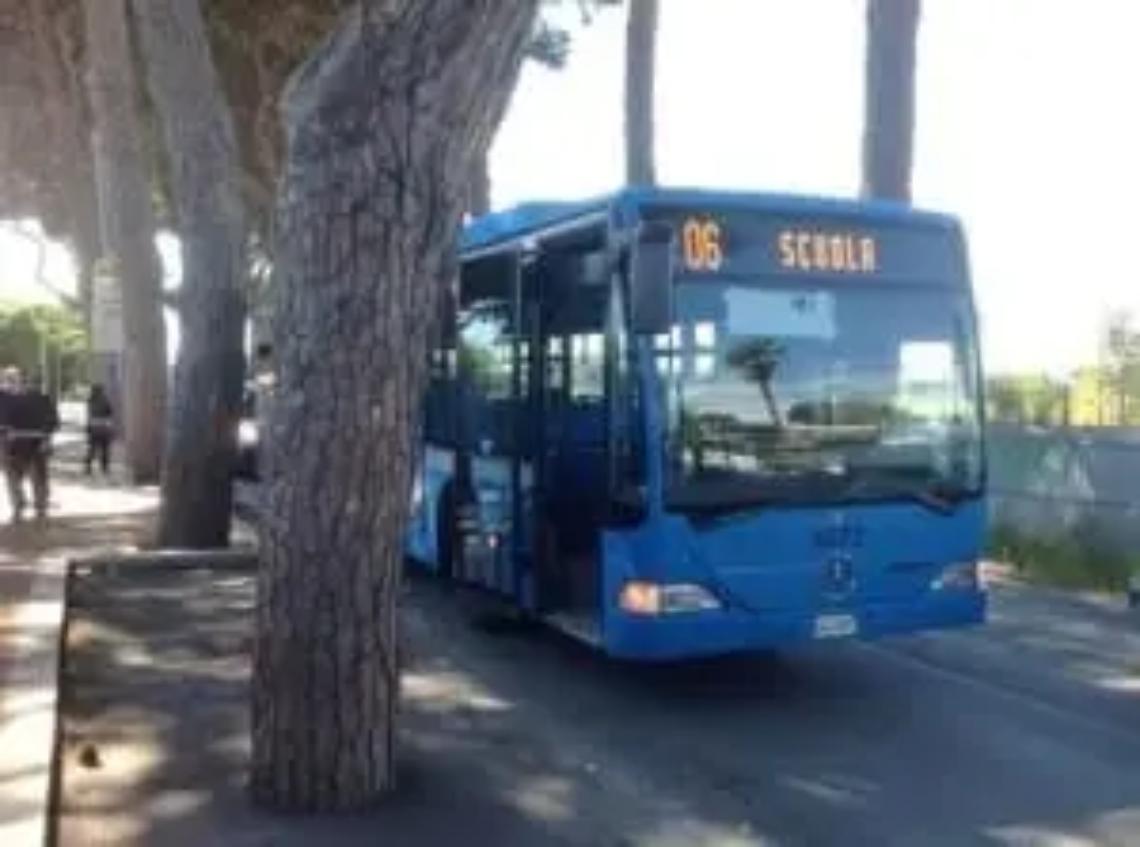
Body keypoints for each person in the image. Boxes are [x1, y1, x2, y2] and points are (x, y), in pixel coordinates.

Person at [4, 372, 59, 522]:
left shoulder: (9, 400)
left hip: (14, 444)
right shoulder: (43, 399)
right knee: (38, 477)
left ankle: (18, 507)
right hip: (37, 443)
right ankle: (40, 507)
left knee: (14, 477)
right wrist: (47, 436)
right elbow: (54, 422)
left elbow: (3, 423)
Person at [85, 384, 115, 475]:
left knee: (92, 449)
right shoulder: (105, 400)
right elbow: (110, 413)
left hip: (93, 427)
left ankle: (88, 467)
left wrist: (88, 428)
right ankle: (104, 468)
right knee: (105, 449)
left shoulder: (90, 401)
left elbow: (89, 415)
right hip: (103, 427)